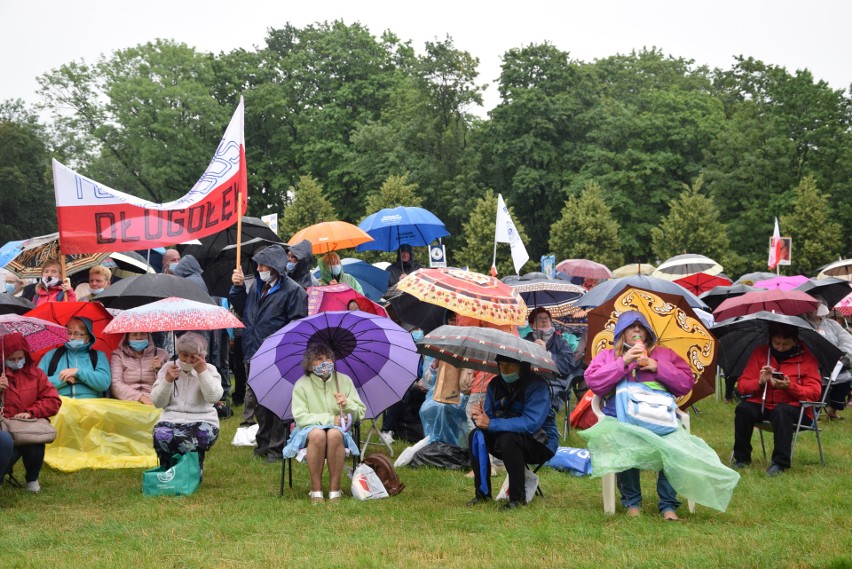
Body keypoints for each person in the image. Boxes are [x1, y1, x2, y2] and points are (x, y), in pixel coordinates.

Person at [584, 311, 694, 519]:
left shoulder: (664, 354)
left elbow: (686, 383)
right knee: (624, 441)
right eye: (630, 327)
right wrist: (623, 362)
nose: (636, 331)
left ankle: (668, 505)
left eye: (641, 327)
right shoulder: (609, 355)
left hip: (660, 420)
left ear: (648, 333)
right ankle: (632, 503)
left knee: (675, 447)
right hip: (621, 418)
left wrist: (657, 367)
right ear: (621, 333)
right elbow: (594, 382)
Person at [230, 244, 308, 461]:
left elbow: (297, 325)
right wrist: (236, 288)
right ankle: (262, 444)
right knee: (259, 403)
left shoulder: (294, 291)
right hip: (253, 350)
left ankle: (276, 447)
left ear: (274, 267)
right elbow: (244, 308)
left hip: (277, 355)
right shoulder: (256, 285)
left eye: (262, 264)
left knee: (277, 403)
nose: (258, 267)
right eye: (258, 264)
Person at [467, 355, 558, 510]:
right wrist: (479, 416)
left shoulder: (538, 385)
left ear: (522, 367)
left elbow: (531, 423)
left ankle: (517, 499)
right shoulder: (494, 384)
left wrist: (490, 423)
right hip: (506, 440)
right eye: (501, 365)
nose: (504, 370)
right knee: (476, 435)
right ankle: (482, 493)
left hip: (541, 443)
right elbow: (488, 420)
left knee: (508, 437)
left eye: (510, 366)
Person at [732, 322, 823, 476]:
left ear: (795, 340)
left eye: (785, 344)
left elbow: (814, 393)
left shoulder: (807, 358)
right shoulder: (760, 353)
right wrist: (760, 382)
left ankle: (780, 463)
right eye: (776, 343)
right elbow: (742, 386)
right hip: (763, 405)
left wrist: (790, 387)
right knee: (743, 409)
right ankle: (741, 458)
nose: (780, 347)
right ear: (770, 340)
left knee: (781, 411)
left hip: (797, 411)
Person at [282, 343, 365, 503]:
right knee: (318, 434)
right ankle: (316, 490)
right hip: (309, 431)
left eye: (328, 357)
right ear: (309, 365)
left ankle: (335, 490)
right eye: (319, 359)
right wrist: (328, 419)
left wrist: (347, 404)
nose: (325, 362)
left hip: (338, 430)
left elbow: (360, 412)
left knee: (334, 434)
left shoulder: (344, 381)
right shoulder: (301, 384)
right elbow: (300, 417)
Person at [150, 332, 223, 481]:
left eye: (194, 356)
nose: (189, 360)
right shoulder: (168, 368)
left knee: (188, 439)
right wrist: (167, 380)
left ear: (202, 356)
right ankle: (169, 470)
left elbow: (214, 397)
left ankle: (193, 471)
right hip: (171, 417)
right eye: (184, 355)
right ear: (178, 353)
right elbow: (158, 402)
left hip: (203, 419)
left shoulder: (210, 370)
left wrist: (202, 373)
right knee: (161, 435)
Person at [0, 332, 62, 493]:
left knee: (35, 444)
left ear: (26, 355)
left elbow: (53, 401)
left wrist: (31, 412)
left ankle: (32, 479)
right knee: (7, 450)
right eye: (12, 359)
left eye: (20, 358)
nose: (16, 362)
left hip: (27, 427)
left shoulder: (36, 374)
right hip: (4, 429)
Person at [39, 317, 111, 399]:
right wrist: (61, 379)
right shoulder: (52, 355)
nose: (72, 337)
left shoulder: (98, 356)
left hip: (90, 407)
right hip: (58, 404)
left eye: (77, 334)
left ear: (88, 337)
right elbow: (38, 384)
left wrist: (78, 372)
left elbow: (104, 384)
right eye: (69, 333)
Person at [804, 297, 852, 420]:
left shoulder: (832, 324)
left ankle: (833, 410)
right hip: (813, 365)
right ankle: (814, 411)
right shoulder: (802, 324)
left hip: (835, 362)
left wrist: (844, 355)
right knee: (815, 383)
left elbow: (846, 339)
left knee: (845, 378)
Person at [524, 307, 579, 411]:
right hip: (528, 381)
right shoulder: (525, 342)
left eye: (547, 318)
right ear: (531, 325)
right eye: (539, 319)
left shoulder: (561, 342)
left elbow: (567, 367)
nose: (544, 321)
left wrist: (547, 355)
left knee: (541, 393)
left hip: (554, 382)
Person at [109, 332, 168, 404]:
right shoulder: (118, 355)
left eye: (143, 334)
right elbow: (115, 384)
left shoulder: (161, 354)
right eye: (134, 334)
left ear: (149, 336)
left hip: (155, 400)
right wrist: (140, 397)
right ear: (127, 337)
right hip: (127, 401)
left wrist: (160, 370)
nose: (139, 338)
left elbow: (168, 384)